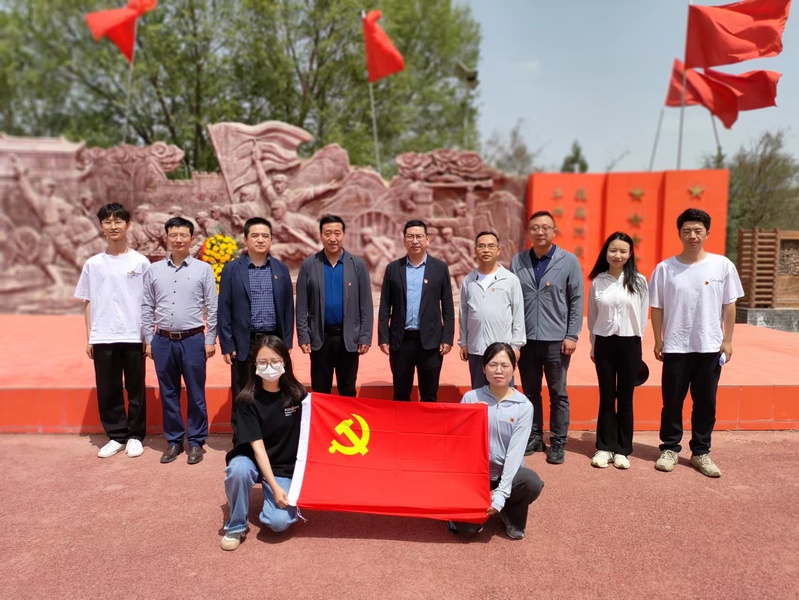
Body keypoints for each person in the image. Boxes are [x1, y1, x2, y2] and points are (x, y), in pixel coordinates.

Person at [650, 208, 743, 478]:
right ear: (679, 233)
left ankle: (701, 452)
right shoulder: (665, 268)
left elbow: (729, 305)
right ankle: (670, 448)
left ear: (707, 233)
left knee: (706, 403)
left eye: (698, 230)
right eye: (687, 230)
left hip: (709, 346)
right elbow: (657, 307)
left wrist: (728, 340)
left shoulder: (722, 265)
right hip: (676, 346)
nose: (692, 235)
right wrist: (658, 339)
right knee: (672, 402)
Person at [74, 203, 150, 458]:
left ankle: (135, 436)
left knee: (136, 387)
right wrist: (90, 337)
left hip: (133, 334)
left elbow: (148, 302)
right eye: (108, 221)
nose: (113, 226)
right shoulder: (93, 264)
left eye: (118, 221)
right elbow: (88, 301)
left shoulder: (140, 262)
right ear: (101, 226)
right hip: (104, 334)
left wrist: (148, 336)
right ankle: (116, 435)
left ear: (128, 225)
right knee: (108, 388)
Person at [142, 217, 218, 465]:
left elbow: (213, 306)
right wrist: (149, 339)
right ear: (167, 237)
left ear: (192, 239)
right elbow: (147, 305)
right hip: (163, 340)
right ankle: (174, 441)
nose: (178, 239)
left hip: (193, 340)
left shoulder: (203, 269)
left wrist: (210, 338)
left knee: (196, 393)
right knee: (169, 393)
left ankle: (196, 441)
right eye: (173, 235)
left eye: (183, 235)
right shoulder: (154, 270)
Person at [450, 342, 545, 540]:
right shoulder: (471, 398)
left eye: (504, 365)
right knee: (467, 531)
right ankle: (461, 512)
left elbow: (515, 452)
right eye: (493, 365)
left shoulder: (523, 406)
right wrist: (471, 417)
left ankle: (507, 510)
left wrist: (501, 493)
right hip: (475, 474)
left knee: (531, 482)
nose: (498, 371)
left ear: (513, 368)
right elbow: (458, 441)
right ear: (484, 368)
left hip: (505, 472)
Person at [510, 210, 584, 464]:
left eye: (545, 227)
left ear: (554, 231)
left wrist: (572, 335)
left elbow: (576, 300)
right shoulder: (518, 261)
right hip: (526, 340)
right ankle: (534, 435)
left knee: (558, 393)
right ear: (529, 232)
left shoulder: (568, 261)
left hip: (556, 341)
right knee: (530, 392)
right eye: (535, 228)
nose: (540, 232)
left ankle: (558, 440)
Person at [221, 336, 306, 550]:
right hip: (251, 460)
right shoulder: (246, 401)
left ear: (285, 362)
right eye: (263, 362)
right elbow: (258, 449)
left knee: (279, 523)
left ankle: (272, 501)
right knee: (238, 471)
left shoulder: (298, 396)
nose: (270, 367)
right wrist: (275, 488)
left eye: (275, 361)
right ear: (255, 365)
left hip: (283, 466)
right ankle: (236, 525)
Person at [587, 232, 649, 470]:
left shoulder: (639, 281)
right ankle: (604, 447)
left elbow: (642, 317)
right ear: (606, 252)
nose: (617, 255)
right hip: (604, 344)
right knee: (606, 396)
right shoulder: (598, 282)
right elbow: (593, 318)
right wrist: (593, 346)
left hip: (629, 343)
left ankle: (622, 449)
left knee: (625, 398)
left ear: (630, 254)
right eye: (613, 250)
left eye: (623, 251)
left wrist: (636, 343)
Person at [218, 217, 294, 404]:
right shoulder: (232, 270)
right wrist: (227, 344)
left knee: (274, 391)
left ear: (271, 240)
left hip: (273, 340)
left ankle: (270, 423)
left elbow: (287, 309)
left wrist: (287, 342)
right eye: (255, 235)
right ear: (246, 239)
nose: (260, 240)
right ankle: (243, 424)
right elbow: (224, 309)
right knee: (243, 392)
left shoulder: (281, 269)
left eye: (265, 236)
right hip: (244, 342)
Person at [296, 215, 373, 396]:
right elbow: (301, 305)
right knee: (320, 389)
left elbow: (366, 304)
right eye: (328, 233)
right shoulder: (309, 265)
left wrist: (365, 337)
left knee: (348, 388)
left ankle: (347, 416)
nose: (333, 238)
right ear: (321, 235)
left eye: (337, 233)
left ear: (343, 235)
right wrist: (303, 336)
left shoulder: (357, 265)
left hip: (348, 337)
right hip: (320, 337)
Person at [378, 220, 455, 402]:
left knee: (429, 393)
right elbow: (385, 305)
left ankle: (427, 422)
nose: (415, 241)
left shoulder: (440, 268)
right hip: (401, 341)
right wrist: (383, 337)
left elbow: (447, 305)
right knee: (401, 393)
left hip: (431, 341)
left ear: (427, 239)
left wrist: (447, 337)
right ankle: (402, 421)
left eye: (419, 236)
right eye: (410, 237)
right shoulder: (393, 268)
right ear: (404, 240)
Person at [458, 231, 526, 389]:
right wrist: (464, 342)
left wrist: (516, 346)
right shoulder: (469, 280)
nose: (486, 250)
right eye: (481, 246)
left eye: (490, 246)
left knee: (503, 393)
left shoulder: (510, 279)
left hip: (502, 351)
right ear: (475, 250)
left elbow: (518, 315)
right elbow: (464, 314)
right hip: (476, 349)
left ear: (498, 250)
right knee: (478, 393)